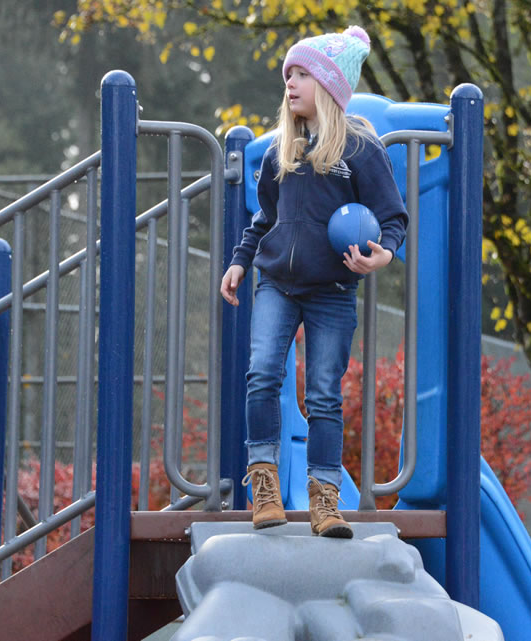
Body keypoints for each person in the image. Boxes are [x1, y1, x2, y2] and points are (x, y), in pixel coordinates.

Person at [220, 25, 408, 539]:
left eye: (302, 74)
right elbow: (265, 218)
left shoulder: (360, 150)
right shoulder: (283, 150)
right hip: (277, 283)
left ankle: (325, 500)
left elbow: (393, 217)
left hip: (332, 291)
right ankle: (264, 483)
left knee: (325, 394)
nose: (291, 83)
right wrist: (240, 260)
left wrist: (382, 256)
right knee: (261, 373)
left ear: (328, 86)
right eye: (288, 75)